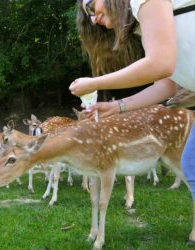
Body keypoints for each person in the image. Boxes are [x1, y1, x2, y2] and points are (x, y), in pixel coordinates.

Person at [69, 0, 195, 201]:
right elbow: (165, 86)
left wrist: (94, 83)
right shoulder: (144, 23)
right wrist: (116, 106)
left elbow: (160, 64)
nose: (93, 20)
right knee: (191, 164)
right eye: (89, 15)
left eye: (91, 8)